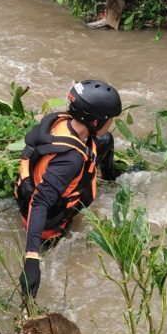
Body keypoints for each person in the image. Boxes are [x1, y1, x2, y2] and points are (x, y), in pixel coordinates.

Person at [15, 80, 122, 299]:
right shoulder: (70, 160)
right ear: (94, 121)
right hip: (50, 224)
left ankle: (111, 177)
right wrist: (32, 259)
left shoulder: (64, 122)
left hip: (40, 187)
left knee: (104, 141)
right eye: (109, 119)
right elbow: (40, 202)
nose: (111, 122)